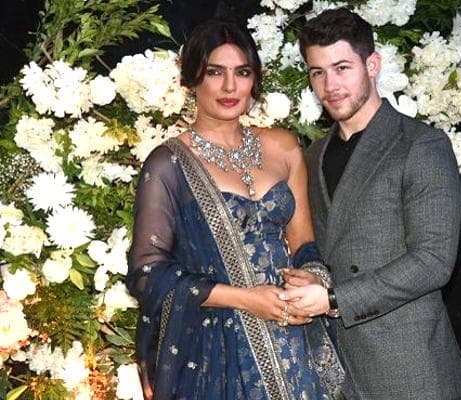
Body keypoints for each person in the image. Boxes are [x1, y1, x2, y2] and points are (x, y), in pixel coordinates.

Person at [126, 19, 344, 400]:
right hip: (219, 352)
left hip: (295, 339)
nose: (230, 87)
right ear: (192, 78)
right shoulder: (168, 164)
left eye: (242, 72)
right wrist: (246, 299)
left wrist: (312, 278)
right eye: (215, 72)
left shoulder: (284, 148)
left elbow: (303, 243)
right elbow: (147, 273)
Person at [281, 8, 461, 400]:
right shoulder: (313, 156)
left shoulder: (420, 145)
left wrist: (333, 299)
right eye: (318, 72)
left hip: (413, 374)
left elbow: (433, 262)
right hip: (342, 373)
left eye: (342, 68)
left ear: (372, 65)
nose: (330, 85)